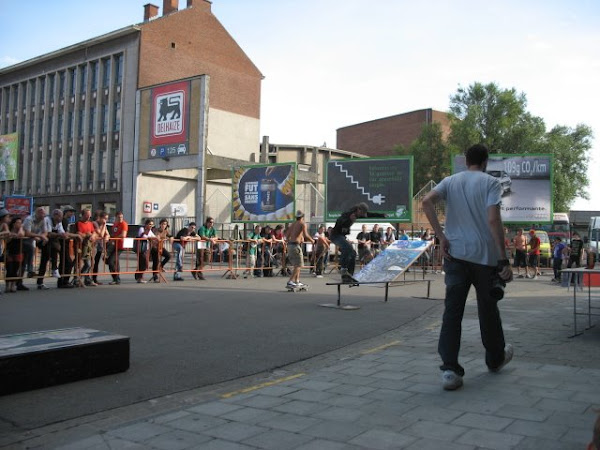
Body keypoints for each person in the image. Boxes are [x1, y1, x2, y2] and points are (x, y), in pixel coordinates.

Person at [422, 143, 513, 391]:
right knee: (488, 309)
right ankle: (495, 359)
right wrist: (503, 259)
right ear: (485, 162)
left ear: (465, 160)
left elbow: (426, 201)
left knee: (452, 312)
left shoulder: (450, 181)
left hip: (456, 256)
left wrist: (441, 235)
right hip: (484, 258)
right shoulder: (491, 183)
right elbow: (493, 220)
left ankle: (450, 370)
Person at [329, 202, 385, 283]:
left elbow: (369, 214)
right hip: (335, 235)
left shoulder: (359, 213)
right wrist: (348, 220)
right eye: (361, 213)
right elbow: (339, 221)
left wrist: (381, 215)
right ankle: (343, 268)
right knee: (347, 248)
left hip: (342, 236)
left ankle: (349, 276)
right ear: (358, 209)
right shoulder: (348, 214)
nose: (361, 215)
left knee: (353, 253)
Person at [284, 210, 314, 288]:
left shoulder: (293, 224)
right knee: (298, 265)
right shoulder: (302, 223)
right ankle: (290, 281)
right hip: (295, 246)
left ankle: (297, 281)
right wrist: (312, 241)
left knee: (297, 264)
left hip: (290, 245)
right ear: (302, 217)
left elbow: (286, 236)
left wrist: (299, 237)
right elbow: (306, 234)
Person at [22, 207, 49, 279]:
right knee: (30, 249)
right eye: (41, 215)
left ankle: (43, 271)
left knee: (47, 246)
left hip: (34, 238)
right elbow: (27, 233)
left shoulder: (43, 220)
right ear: (36, 214)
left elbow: (45, 231)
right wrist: (39, 236)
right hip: (23, 239)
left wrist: (43, 236)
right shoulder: (29, 219)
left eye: (44, 215)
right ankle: (30, 270)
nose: (42, 217)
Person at [75, 208, 97, 287]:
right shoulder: (79, 223)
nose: (88, 217)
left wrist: (92, 236)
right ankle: (77, 279)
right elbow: (79, 233)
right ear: (83, 215)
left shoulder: (90, 223)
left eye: (89, 215)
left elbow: (93, 232)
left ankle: (86, 279)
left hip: (89, 246)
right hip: (81, 246)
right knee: (85, 264)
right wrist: (87, 235)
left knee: (90, 263)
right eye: (87, 215)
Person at [5, 216, 26, 293]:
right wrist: (12, 234)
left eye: (20, 223)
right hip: (9, 252)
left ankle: (13, 285)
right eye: (18, 223)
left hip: (18, 252)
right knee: (9, 269)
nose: (20, 224)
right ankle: (7, 285)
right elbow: (7, 240)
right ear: (13, 224)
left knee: (15, 269)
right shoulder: (9, 230)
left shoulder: (21, 230)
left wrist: (20, 228)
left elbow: (21, 234)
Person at [106, 211, 128, 285]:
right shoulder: (115, 224)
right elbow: (113, 233)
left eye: (121, 217)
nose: (120, 219)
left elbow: (123, 235)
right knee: (113, 261)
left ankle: (116, 278)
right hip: (114, 245)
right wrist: (111, 238)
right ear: (116, 217)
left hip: (120, 246)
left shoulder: (124, 224)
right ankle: (116, 278)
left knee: (111, 261)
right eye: (119, 217)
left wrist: (114, 238)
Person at [92, 210, 110, 285]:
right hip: (93, 246)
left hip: (100, 246)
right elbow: (101, 234)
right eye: (105, 218)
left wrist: (107, 237)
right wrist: (104, 225)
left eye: (107, 219)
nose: (106, 220)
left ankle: (94, 279)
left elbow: (107, 234)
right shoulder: (95, 223)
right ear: (100, 218)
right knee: (91, 263)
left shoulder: (103, 225)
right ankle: (86, 278)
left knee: (96, 263)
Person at [135, 219, 156, 283]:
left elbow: (154, 236)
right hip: (140, 248)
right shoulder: (142, 229)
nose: (151, 226)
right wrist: (150, 237)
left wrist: (155, 238)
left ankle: (138, 276)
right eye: (149, 224)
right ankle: (139, 277)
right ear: (146, 224)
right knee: (143, 262)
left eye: (152, 225)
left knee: (144, 263)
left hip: (146, 249)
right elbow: (143, 236)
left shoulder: (150, 231)